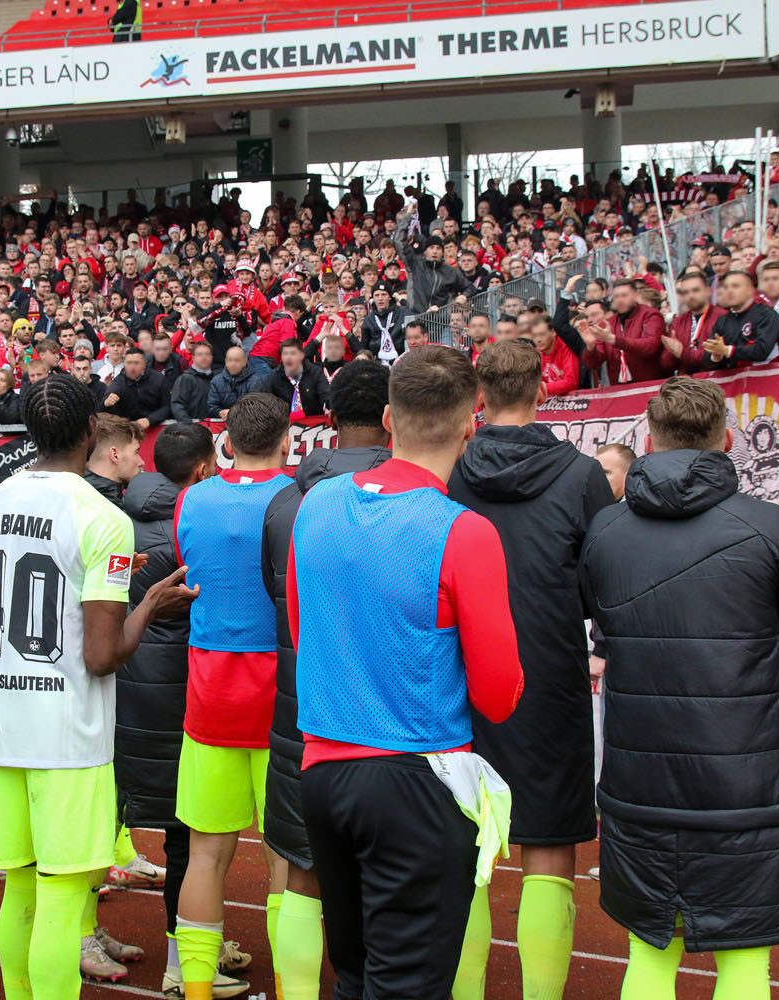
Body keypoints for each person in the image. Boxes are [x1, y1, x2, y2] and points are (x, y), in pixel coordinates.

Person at [579, 376, 779, 998]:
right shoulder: (769, 527)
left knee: (650, 952)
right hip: (743, 782)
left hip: (644, 778)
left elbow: (603, 620)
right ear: (724, 440)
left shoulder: (606, 533)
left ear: (647, 439)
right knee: (744, 959)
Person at [290, 345, 523, 999]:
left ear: (389, 419)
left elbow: (305, 635)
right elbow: (500, 695)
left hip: (322, 772)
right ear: (471, 426)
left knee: (358, 977)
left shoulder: (316, 503)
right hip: (414, 779)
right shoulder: (466, 532)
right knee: (406, 985)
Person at [0, 373, 197, 1000]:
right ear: (91, 431)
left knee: (19, 888)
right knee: (64, 893)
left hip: (3, 724)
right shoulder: (102, 517)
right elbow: (102, 655)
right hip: (67, 734)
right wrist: (150, 603)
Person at [446, 340, 616, 1000]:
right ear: (542, 389)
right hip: (547, 671)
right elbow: (603, 581)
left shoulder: (453, 469)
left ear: (480, 396)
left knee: (470, 852)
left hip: (461, 674)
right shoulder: (580, 475)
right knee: (548, 848)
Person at [261, 359, 392, 1000]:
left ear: (329, 422)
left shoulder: (289, 502)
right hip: (393, 722)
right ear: (391, 419)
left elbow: (277, 598)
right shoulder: (425, 498)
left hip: (303, 714)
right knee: (402, 884)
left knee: (304, 879)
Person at [116, 423, 252, 998]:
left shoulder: (120, 518)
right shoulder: (194, 522)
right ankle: (182, 961)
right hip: (184, 694)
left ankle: (184, 947)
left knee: (135, 826)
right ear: (202, 468)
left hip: (130, 687)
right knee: (187, 838)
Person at [172, 393, 298, 1000]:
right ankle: (286, 984)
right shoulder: (297, 501)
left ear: (225, 440)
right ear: (287, 440)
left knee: (206, 853)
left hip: (210, 693)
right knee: (288, 859)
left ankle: (195, 987)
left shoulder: (192, 498)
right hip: (280, 696)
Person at [581, 279, 667, 384]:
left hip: (649, 384)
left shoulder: (651, 315)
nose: (619, 300)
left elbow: (649, 346)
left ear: (636, 295)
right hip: (620, 388)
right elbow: (593, 364)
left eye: (624, 295)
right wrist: (590, 347)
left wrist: (614, 340)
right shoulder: (609, 323)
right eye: (616, 296)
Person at [702, 269, 779, 368]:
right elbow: (707, 359)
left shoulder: (767, 315)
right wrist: (716, 355)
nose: (729, 291)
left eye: (735, 286)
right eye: (726, 287)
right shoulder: (722, 321)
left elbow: (762, 350)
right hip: (734, 381)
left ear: (750, 290)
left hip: (767, 378)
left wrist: (727, 351)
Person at [659, 268, 726, 374]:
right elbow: (666, 364)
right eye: (685, 292)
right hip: (686, 385)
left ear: (708, 291)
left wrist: (682, 353)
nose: (690, 296)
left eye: (696, 290)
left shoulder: (723, 317)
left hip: (715, 383)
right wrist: (672, 352)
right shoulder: (678, 322)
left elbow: (715, 359)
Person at [83, 413, 145, 508]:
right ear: (115, 455)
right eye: (135, 452)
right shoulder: (113, 512)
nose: (142, 462)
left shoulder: (71, 499)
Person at [103, 347, 172, 429]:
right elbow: (106, 400)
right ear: (124, 364)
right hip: (127, 429)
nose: (132, 367)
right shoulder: (119, 381)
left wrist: (150, 420)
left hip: (154, 427)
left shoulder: (159, 379)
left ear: (144, 364)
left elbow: (167, 407)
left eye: (136, 363)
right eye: (129, 363)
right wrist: (106, 402)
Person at [264, 339, 328, 418]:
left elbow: (326, 396)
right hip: (285, 425)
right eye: (285, 354)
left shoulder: (315, 373)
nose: (288, 357)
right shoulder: (274, 377)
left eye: (293, 353)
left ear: (302, 355)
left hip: (313, 423)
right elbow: (265, 403)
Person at [206, 347, 260, 419]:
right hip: (222, 423)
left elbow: (255, 407)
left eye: (237, 360)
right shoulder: (216, 381)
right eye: (230, 360)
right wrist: (223, 414)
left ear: (244, 362)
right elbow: (211, 407)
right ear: (225, 361)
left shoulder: (255, 381)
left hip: (247, 424)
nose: (233, 364)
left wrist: (233, 413)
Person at [172, 342, 216, 422]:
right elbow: (177, 405)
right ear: (193, 357)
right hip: (191, 429)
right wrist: (188, 424)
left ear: (212, 357)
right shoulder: (185, 379)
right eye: (200, 354)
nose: (204, 357)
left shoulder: (216, 379)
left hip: (215, 429)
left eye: (207, 354)